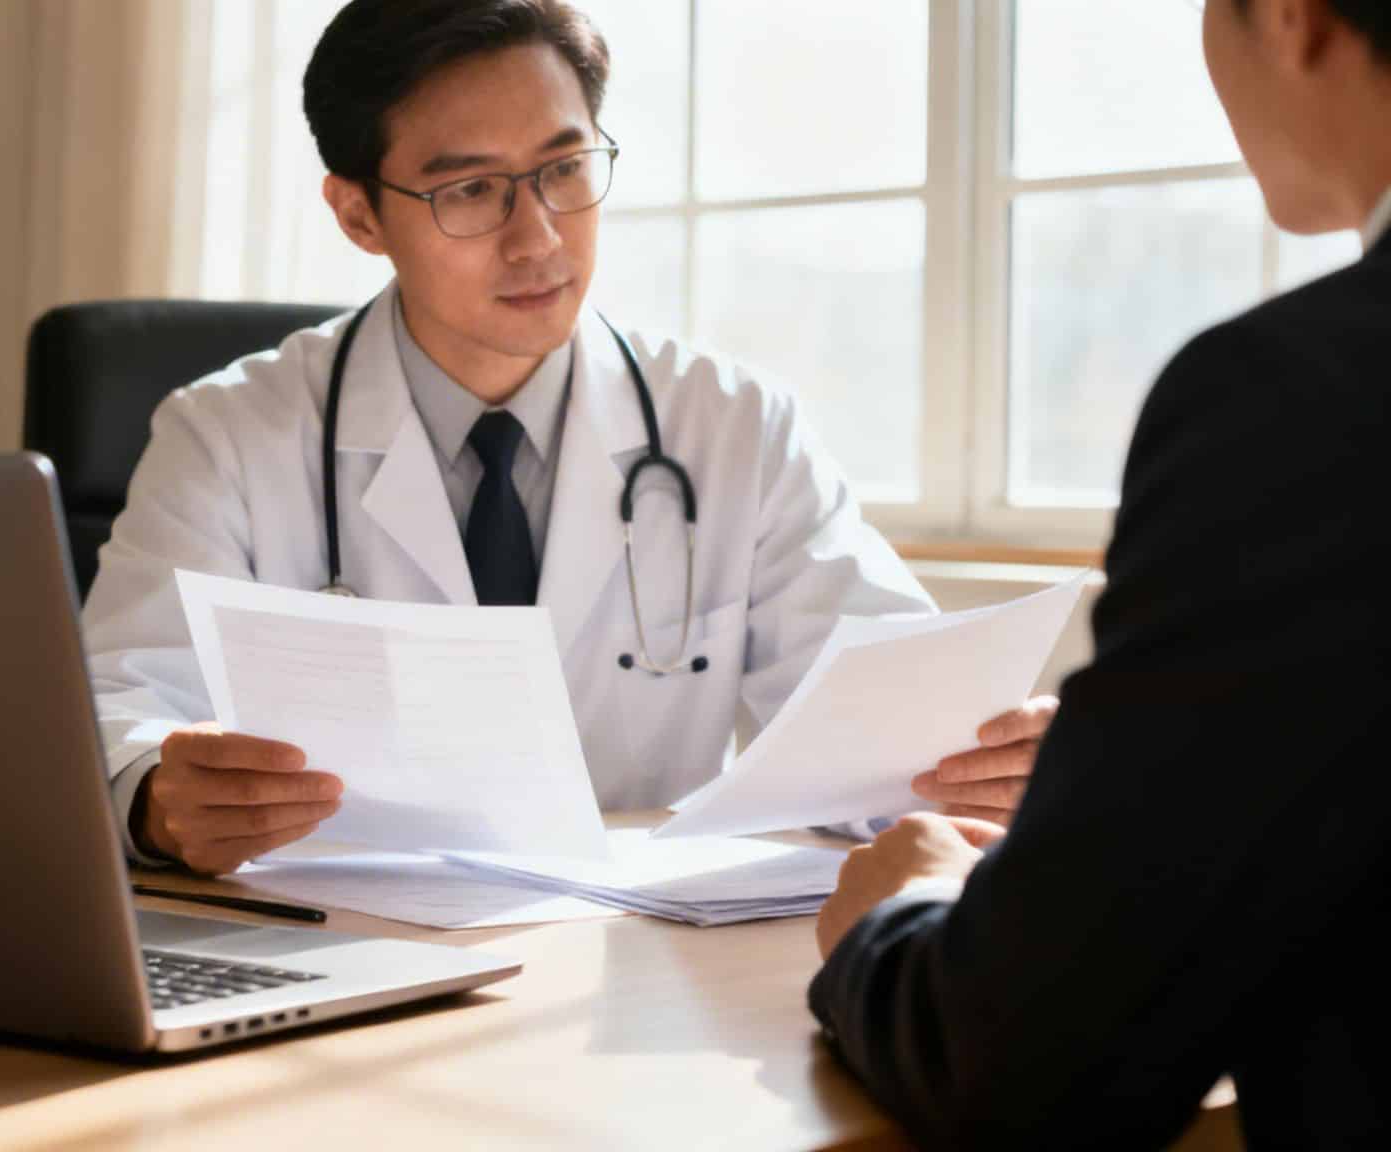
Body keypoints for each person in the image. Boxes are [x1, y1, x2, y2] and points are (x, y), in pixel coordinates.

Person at [82, 0, 1051, 877]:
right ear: (357, 215)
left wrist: (984, 758)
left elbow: (889, 734)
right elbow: (115, 712)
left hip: (634, 963)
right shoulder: (226, 435)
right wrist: (160, 802)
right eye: (469, 192)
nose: (537, 238)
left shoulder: (733, 425)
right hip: (341, 948)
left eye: (563, 169)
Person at [809, 0, 1391, 1145]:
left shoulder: (1299, 400)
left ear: (1284, 16)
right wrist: (1132, 771)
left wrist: (907, 906)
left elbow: (1027, 1064)